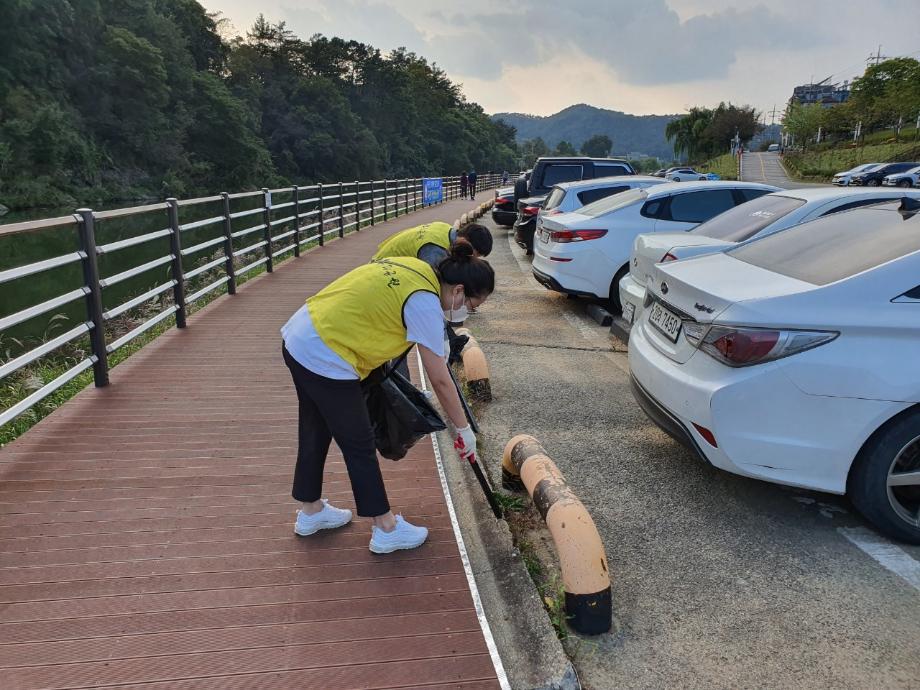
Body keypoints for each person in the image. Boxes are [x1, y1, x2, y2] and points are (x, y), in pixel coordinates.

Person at [281, 241, 495, 553]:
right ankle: (386, 528)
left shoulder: (418, 270)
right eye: (473, 305)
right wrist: (463, 430)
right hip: (326, 353)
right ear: (459, 291)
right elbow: (439, 378)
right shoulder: (424, 302)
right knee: (360, 443)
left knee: (316, 427)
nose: (469, 311)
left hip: (301, 334)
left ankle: (311, 510)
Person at [373, 221, 492, 267]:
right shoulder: (436, 251)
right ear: (465, 241)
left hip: (382, 258)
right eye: (473, 254)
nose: (470, 258)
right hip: (381, 269)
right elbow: (427, 282)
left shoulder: (445, 228)